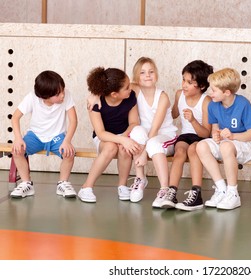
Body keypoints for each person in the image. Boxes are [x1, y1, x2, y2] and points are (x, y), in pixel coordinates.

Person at [196, 68, 251, 210]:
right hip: (227, 143)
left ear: (226, 92)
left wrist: (233, 136)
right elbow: (214, 129)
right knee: (201, 146)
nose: (210, 93)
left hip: (246, 144)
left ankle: (233, 193)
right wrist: (216, 135)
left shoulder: (243, 104)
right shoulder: (213, 105)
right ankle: (221, 189)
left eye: (213, 90)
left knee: (226, 146)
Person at [10, 70, 78, 198]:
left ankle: (63, 183)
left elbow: (73, 121)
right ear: (44, 97)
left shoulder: (66, 96)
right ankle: (26, 184)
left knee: (69, 153)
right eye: (58, 94)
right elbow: (15, 118)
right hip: (35, 135)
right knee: (17, 150)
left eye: (63, 90)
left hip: (57, 136)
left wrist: (67, 141)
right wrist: (18, 138)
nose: (63, 95)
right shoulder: (32, 98)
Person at [78, 67, 141, 203]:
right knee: (111, 147)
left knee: (125, 148)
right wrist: (121, 140)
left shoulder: (130, 96)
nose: (130, 88)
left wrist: (124, 138)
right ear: (114, 94)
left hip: (124, 133)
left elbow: (134, 122)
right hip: (104, 138)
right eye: (126, 87)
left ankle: (122, 186)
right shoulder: (95, 103)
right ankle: (86, 187)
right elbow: (100, 133)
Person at [160, 60, 213, 211]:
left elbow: (206, 132)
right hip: (185, 135)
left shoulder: (206, 101)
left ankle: (196, 194)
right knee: (180, 151)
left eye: (190, 82)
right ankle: (172, 192)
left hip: (201, 137)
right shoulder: (179, 94)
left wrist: (193, 120)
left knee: (192, 150)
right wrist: (163, 107)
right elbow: (174, 114)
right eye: (183, 79)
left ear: (201, 86)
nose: (184, 84)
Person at [128, 57, 178, 207]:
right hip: (146, 136)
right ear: (136, 77)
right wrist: (94, 96)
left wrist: (144, 154)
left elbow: (155, 129)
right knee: (136, 131)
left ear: (156, 74)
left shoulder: (162, 96)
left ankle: (164, 189)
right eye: (142, 73)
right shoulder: (134, 90)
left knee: (154, 144)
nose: (147, 75)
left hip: (165, 137)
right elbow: (112, 89)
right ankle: (140, 178)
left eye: (151, 71)